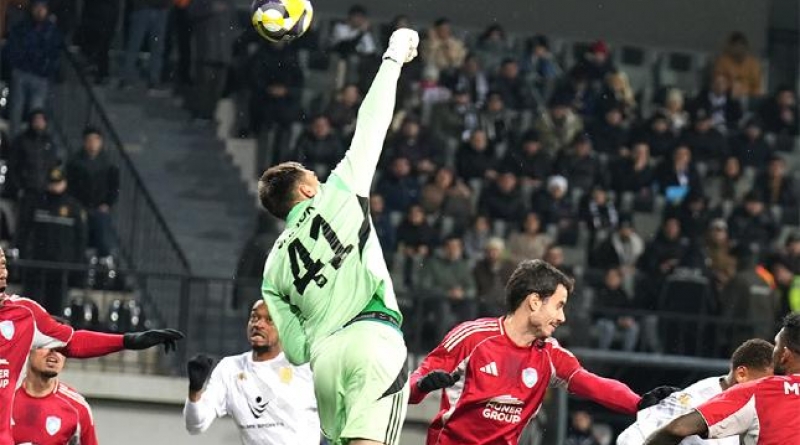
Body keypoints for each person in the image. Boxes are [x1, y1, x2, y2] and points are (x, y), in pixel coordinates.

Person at [257, 29, 419, 445]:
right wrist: (393, 58)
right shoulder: (341, 191)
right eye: (313, 176)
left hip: (326, 363)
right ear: (306, 189)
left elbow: (296, 351)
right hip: (372, 338)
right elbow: (372, 123)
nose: (320, 178)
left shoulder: (273, 268)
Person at [408, 259, 677, 445]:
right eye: (559, 305)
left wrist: (637, 403)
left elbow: (592, 383)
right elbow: (412, 388)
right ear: (535, 301)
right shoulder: (472, 337)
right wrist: (421, 385)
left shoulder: (550, 354)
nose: (562, 317)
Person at [0, 245, 184, 445]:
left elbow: (73, 342)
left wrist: (128, 340)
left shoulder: (24, 314)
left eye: (3, 264)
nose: (3, 272)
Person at [644, 313, 800, 445]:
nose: (773, 351)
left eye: (776, 345)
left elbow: (677, 429)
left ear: (785, 355)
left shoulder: (758, 392)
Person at [183, 300, 319, 444]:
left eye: (269, 320)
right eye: (254, 317)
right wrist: (195, 391)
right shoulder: (230, 368)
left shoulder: (305, 367)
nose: (258, 324)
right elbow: (195, 425)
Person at [617, 338, 774, 445]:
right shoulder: (698, 399)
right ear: (741, 374)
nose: (770, 391)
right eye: (765, 384)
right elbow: (636, 436)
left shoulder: (743, 405)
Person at [16, 166, 86, 314]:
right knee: (33, 307)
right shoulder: (36, 203)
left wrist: (76, 263)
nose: (55, 186)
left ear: (65, 183)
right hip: (37, 263)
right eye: (52, 182)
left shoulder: (73, 207)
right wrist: (24, 255)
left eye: (58, 182)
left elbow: (80, 239)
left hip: (61, 266)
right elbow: (24, 231)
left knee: (56, 309)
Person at [12, 345, 98, 445]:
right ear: (28, 349)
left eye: (61, 346)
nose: (54, 351)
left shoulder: (78, 407)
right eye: (47, 344)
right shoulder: (5, 397)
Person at [5, 0, 62, 136]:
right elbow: (12, 48)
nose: (40, 11)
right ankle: (15, 140)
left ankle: (35, 141)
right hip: (22, 72)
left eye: (43, 8)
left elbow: (54, 53)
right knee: (16, 111)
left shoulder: (51, 31)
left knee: (36, 112)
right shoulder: (22, 27)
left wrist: (47, 68)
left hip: (40, 76)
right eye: (37, 7)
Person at [65, 127, 120, 259]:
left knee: (102, 239)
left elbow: (114, 187)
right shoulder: (75, 163)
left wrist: (107, 204)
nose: (93, 144)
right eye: (89, 140)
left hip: (99, 208)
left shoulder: (108, 164)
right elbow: (70, 186)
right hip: (80, 207)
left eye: (96, 140)